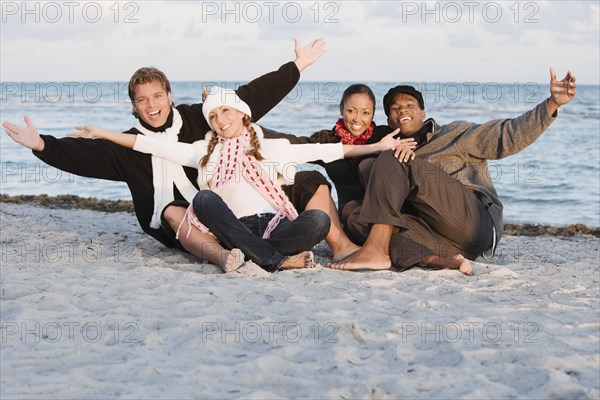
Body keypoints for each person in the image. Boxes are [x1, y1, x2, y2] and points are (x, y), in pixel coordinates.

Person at [2, 38, 328, 271]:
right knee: (174, 209)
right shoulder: (129, 146)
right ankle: (231, 258)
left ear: (170, 96)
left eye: (157, 95)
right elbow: (84, 155)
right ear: (134, 106)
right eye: (142, 100)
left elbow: (251, 97)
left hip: (230, 217)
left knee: (312, 205)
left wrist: (297, 65)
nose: (152, 105)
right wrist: (41, 144)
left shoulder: (201, 117)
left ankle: (261, 253)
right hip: (183, 224)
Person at [65, 87, 398, 272]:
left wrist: (377, 146)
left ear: (241, 113)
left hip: (274, 226)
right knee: (203, 199)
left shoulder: (270, 145)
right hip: (230, 229)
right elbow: (148, 143)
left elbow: (326, 150)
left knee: (318, 220)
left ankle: (261, 255)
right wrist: (103, 133)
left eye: (225, 111)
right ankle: (277, 260)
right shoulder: (201, 150)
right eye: (213, 115)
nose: (220, 120)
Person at [329, 67, 577, 275]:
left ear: (422, 112)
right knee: (354, 214)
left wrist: (552, 104)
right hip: (437, 239)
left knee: (393, 158)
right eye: (394, 109)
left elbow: (507, 135)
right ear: (389, 121)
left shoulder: (455, 133)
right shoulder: (388, 148)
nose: (402, 110)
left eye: (409, 105)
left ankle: (376, 251)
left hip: (474, 226)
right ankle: (436, 260)